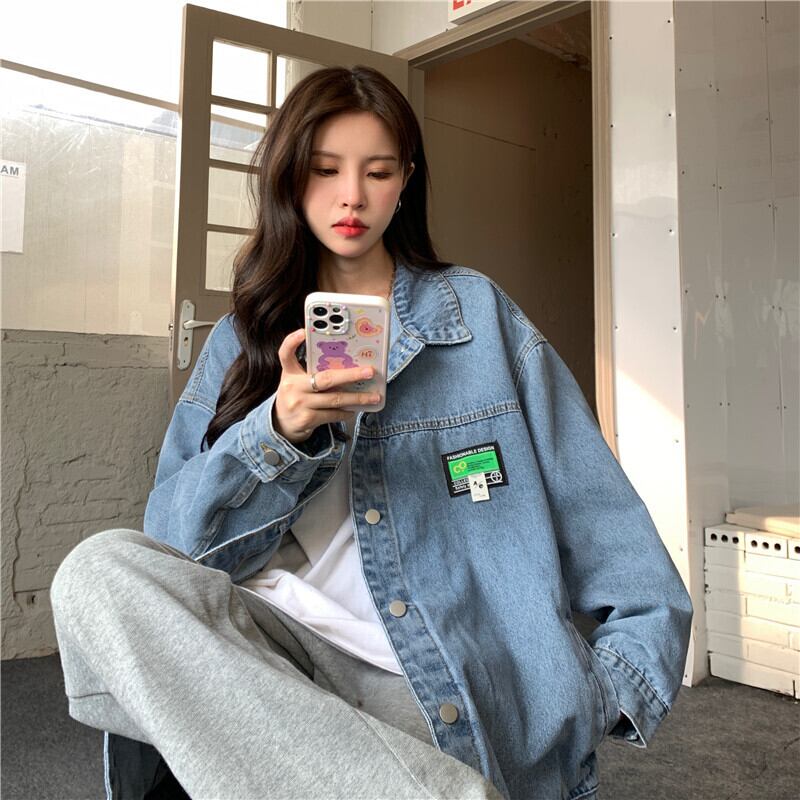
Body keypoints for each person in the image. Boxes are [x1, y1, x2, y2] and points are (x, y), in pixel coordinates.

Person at [50, 65, 693, 800]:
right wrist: (278, 433)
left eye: (378, 171)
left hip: (432, 682)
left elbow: (607, 522)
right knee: (96, 570)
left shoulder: (477, 319)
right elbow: (176, 546)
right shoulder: (240, 341)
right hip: (272, 664)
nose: (351, 196)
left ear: (405, 181)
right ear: (290, 178)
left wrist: (604, 693)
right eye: (325, 170)